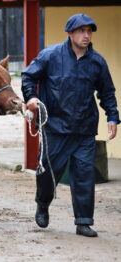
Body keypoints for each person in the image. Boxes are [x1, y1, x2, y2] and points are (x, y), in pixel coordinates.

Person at [21, 13, 120, 237]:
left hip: (84, 129)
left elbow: (107, 92)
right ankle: (43, 203)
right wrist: (31, 97)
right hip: (54, 127)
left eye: (89, 31)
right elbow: (28, 77)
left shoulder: (97, 62)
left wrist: (112, 117)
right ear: (70, 33)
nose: (86, 35)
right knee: (48, 172)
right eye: (82, 31)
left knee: (84, 175)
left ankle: (83, 221)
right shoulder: (50, 55)